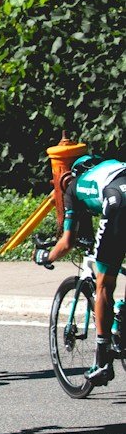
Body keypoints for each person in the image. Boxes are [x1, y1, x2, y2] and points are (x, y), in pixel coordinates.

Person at [41, 150, 126, 388]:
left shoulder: (73, 185)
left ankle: (102, 362)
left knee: (105, 283)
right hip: (118, 193)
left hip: (118, 200)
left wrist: (46, 256)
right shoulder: (111, 166)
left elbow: (67, 242)